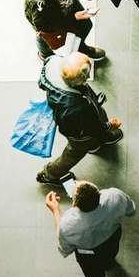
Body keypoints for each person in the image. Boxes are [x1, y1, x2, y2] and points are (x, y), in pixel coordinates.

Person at [44, 181, 136, 277]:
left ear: (75, 204)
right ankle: (108, 263)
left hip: (89, 255)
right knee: (110, 256)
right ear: (98, 193)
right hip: (112, 238)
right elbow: (131, 210)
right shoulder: (115, 195)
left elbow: (65, 248)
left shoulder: (68, 224)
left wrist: (55, 210)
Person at [36, 51, 123, 185]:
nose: (89, 75)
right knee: (73, 154)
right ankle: (50, 174)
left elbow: (41, 83)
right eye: (87, 74)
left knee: (95, 132)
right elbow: (93, 127)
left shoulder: (53, 63)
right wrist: (109, 125)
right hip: (80, 135)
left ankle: (97, 142)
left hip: (77, 118)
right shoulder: (78, 107)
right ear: (81, 80)